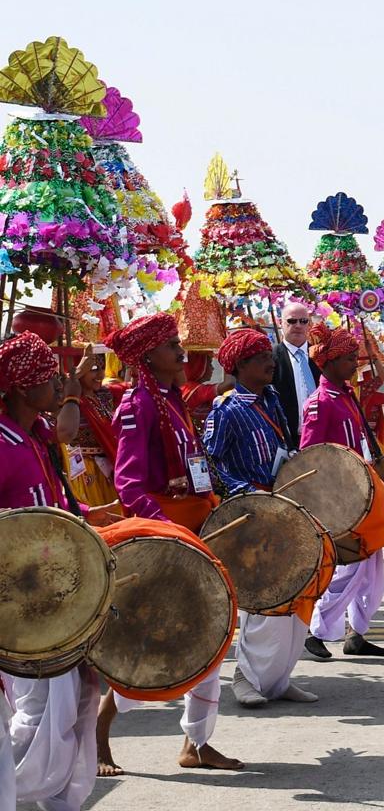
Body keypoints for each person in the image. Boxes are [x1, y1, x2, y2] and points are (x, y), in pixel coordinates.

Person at [99, 312, 241, 776]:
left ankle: (196, 743)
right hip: (164, 537)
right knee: (152, 642)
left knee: (211, 636)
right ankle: (100, 731)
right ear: (146, 358)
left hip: (193, 526)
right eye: (170, 346)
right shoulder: (138, 405)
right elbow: (129, 485)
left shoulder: (171, 399)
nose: (182, 352)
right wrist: (168, 531)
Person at [0, 332, 115, 811]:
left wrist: (93, 518)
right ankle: (19, 791)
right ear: (24, 389)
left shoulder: (35, 435)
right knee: (41, 712)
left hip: (66, 598)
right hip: (26, 612)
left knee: (81, 700)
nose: (58, 383)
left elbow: (53, 502)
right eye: (49, 378)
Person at [203, 328, 320, 708]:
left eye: (269, 356)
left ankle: (278, 678)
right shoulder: (226, 409)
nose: (271, 363)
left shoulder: (272, 399)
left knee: (295, 591)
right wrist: (245, 492)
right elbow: (213, 463)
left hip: (283, 505)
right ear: (239, 366)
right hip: (250, 512)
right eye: (260, 359)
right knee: (262, 598)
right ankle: (246, 678)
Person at [302, 324, 384, 659]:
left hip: (366, 494)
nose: (356, 363)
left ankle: (357, 634)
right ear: (327, 363)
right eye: (349, 358)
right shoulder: (319, 403)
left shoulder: (346, 395)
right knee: (351, 567)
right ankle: (315, 630)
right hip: (343, 500)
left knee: (372, 572)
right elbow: (311, 457)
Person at [63, 347, 122, 510]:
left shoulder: (104, 395)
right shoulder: (69, 400)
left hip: (109, 467)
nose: (101, 375)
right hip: (84, 472)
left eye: (102, 369)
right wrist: (78, 373)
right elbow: (56, 395)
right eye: (94, 369)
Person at [271, 300, 321, 451]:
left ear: (309, 324)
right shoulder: (270, 358)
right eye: (292, 321)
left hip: (322, 437)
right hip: (288, 441)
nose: (298, 325)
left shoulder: (321, 356)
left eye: (303, 321)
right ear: (280, 323)